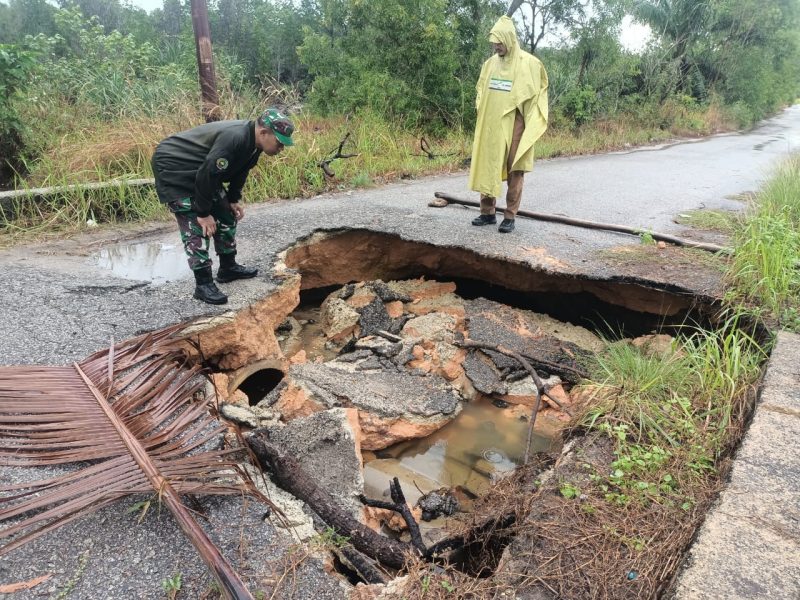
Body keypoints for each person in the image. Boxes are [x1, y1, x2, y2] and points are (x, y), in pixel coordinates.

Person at [152, 108, 294, 304]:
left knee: (227, 213)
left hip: (202, 171)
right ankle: (203, 284)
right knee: (196, 223)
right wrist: (202, 213)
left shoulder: (254, 145)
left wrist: (233, 198)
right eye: (279, 143)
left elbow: (240, 170)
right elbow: (207, 173)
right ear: (264, 133)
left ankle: (228, 268)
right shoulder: (234, 138)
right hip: (174, 167)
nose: (281, 149)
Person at [468, 16, 549, 233]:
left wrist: (529, 122)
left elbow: (538, 91)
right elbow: (481, 90)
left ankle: (510, 215)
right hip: (492, 122)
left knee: (515, 167)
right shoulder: (490, 64)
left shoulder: (528, 63)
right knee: (489, 163)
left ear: (509, 39)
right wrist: (482, 110)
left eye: (499, 42)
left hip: (515, 122)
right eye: (494, 42)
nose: (496, 46)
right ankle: (487, 213)